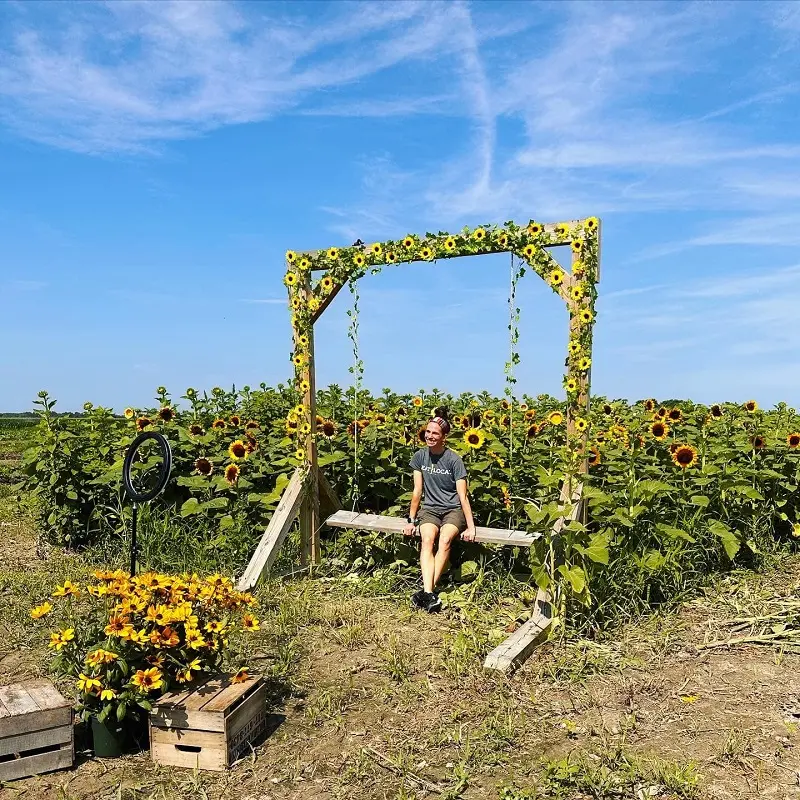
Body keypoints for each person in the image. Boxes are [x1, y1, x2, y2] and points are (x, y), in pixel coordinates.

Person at [403, 406, 476, 612]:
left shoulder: (454, 460)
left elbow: (463, 495)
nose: (430, 436)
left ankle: (426, 592)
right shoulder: (420, 457)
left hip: (453, 510)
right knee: (427, 539)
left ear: (444, 437)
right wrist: (410, 521)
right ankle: (429, 594)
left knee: (444, 541)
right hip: (430, 510)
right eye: (428, 432)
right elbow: (417, 491)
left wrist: (471, 527)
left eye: (435, 433)